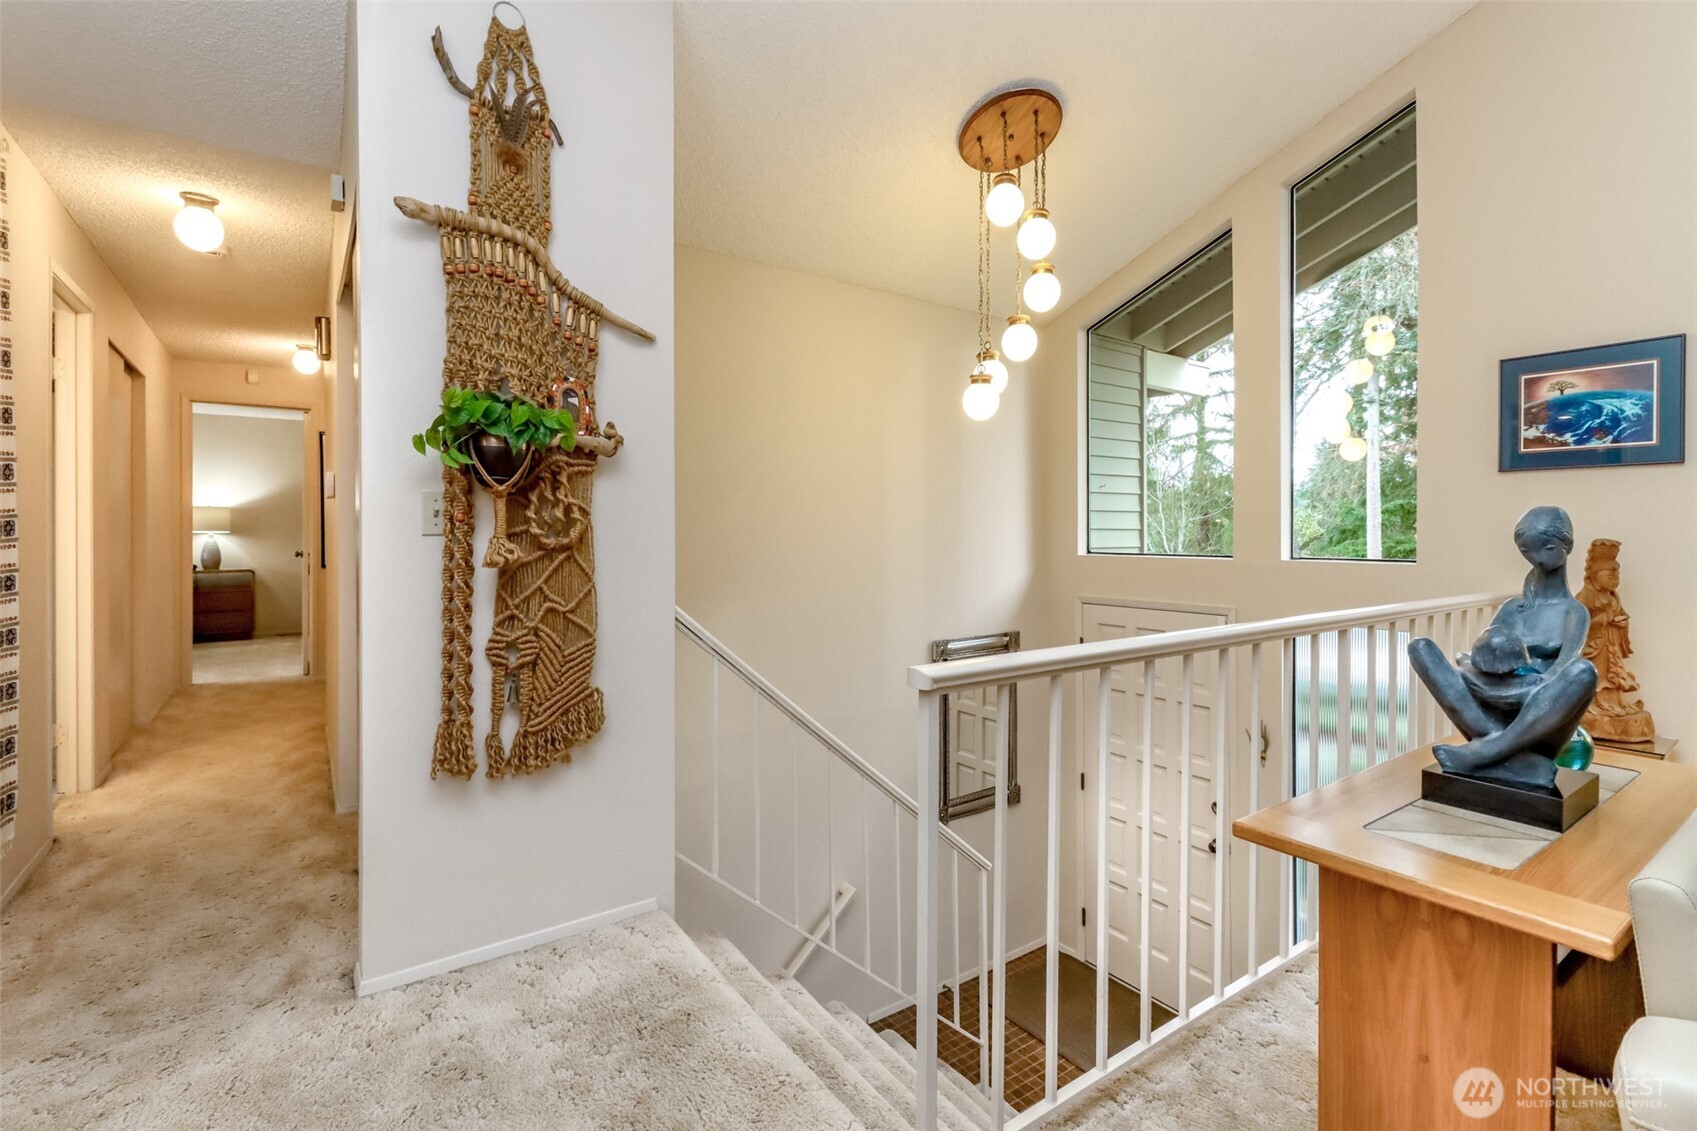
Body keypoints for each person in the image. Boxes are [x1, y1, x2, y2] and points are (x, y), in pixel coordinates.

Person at [1407, 506, 1598, 789]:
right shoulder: (1512, 608)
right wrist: (1483, 682)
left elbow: (1560, 672)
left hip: (1540, 717)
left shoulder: (1574, 613)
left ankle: (1488, 751)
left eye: (1545, 548)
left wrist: (1516, 694)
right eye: (1526, 550)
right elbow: (1479, 657)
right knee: (1420, 648)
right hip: (1488, 706)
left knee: (1584, 672)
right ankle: (1516, 759)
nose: (1535, 558)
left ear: (1563, 546)